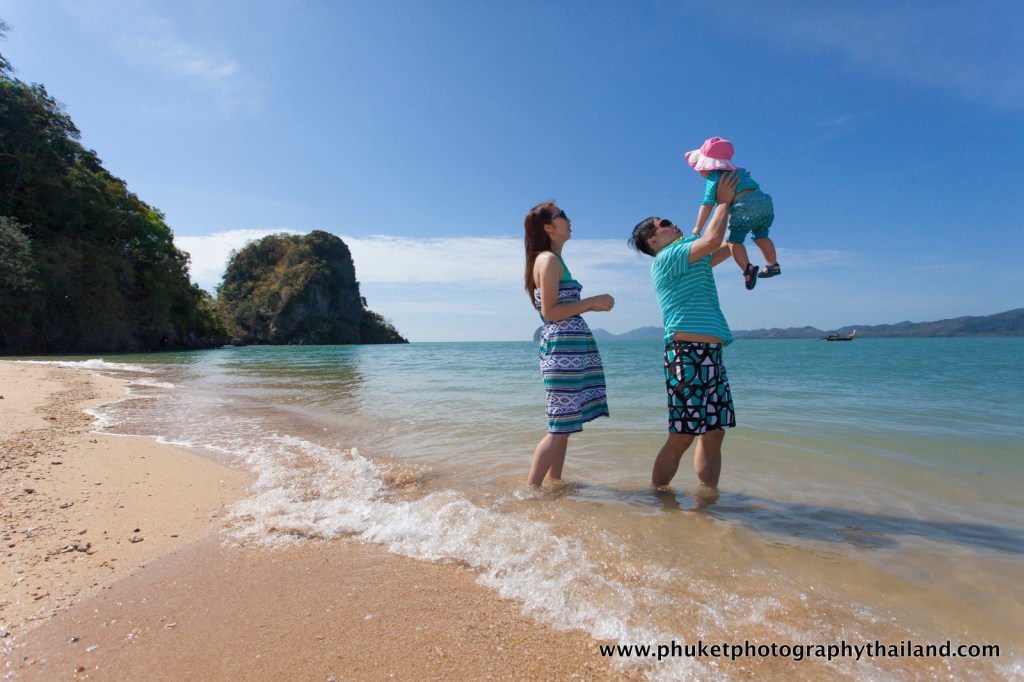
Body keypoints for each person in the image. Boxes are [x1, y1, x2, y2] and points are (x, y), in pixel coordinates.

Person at [627, 173, 739, 488]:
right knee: (683, 435)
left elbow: (726, 245)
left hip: (711, 355)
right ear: (653, 239)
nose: (674, 224)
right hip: (686, 354)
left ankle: (707, 503)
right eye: (665, 223)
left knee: (715, 432)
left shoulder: (690, 258)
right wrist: (722, 201)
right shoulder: (667, 257)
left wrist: (739, 213)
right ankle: (658, 497)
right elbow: (713, 241)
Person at [523, 202, 614, 487]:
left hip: (569, 350)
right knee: (559, 426)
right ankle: (531, 491)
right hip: (562, 350)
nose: (568, 219)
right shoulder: (548, 260)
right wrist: (591, 303)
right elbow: (549, 312)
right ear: (548, 227)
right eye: (561, 215)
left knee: (566, 424)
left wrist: (586, 306)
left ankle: (555, 484)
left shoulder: (554, 260)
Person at [686, 136, 780, 291]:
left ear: (706, 165)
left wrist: (697, 227)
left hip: (744, 207)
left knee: (734, 241)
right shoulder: (740, 172)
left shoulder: (714, 177)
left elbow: (707, 204)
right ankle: (772, 264)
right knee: (762, 236)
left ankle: (747, 268)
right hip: (764, 203)